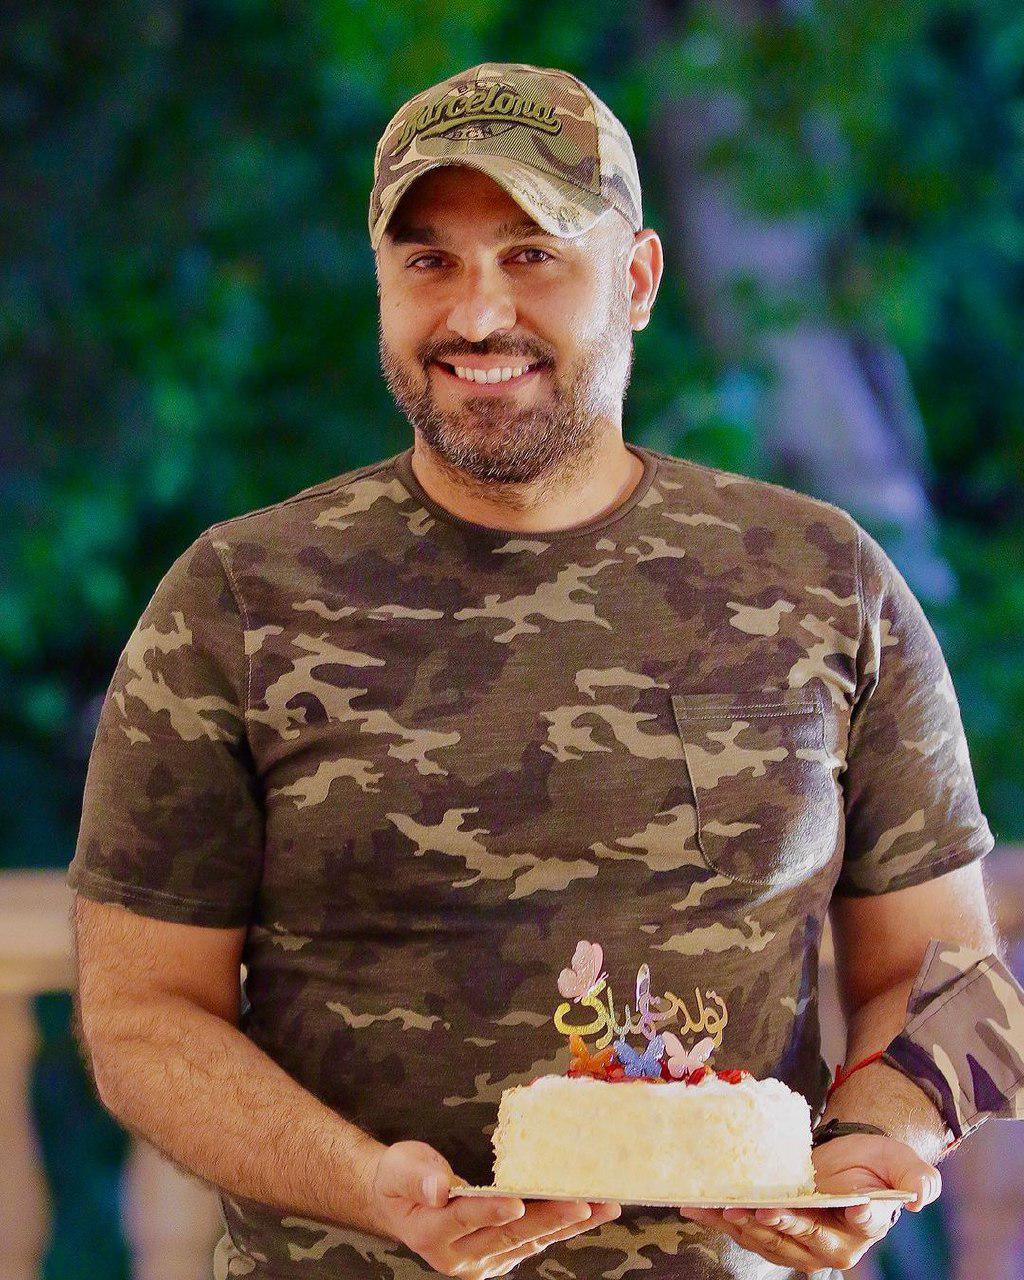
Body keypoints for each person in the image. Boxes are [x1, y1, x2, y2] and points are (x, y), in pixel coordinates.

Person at [68, 62, 1021, 1280]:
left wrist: (879, 1142)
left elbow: (952, 981)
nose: (477, 315)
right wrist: (369, 1184)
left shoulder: (820, 578)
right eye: (429, 260)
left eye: (533, 255)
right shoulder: (238, 599)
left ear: (637, 279)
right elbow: (142, 1015)